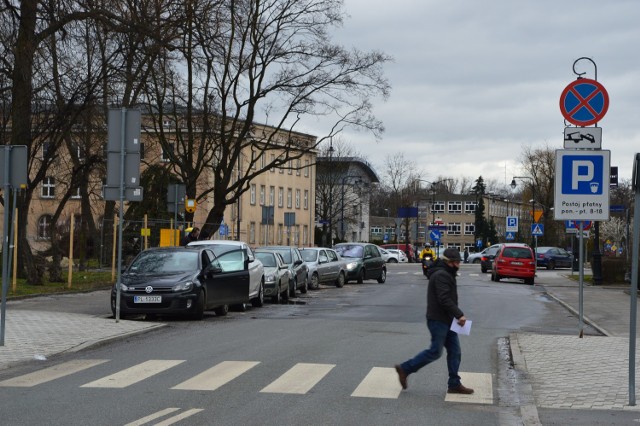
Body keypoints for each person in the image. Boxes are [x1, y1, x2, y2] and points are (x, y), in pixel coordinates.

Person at [394, 248, 474, 394]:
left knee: (455, 351)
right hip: (438, 320)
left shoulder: (447, 273)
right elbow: (444, 299)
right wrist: (459, 315)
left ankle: (454, 384)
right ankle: (405, 369)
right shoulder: (441, 275)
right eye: (456, 262)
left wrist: (454, 316)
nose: (458, 264)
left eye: (458, 261)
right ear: (449, 262)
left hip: (447, 320)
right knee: (435, 351)